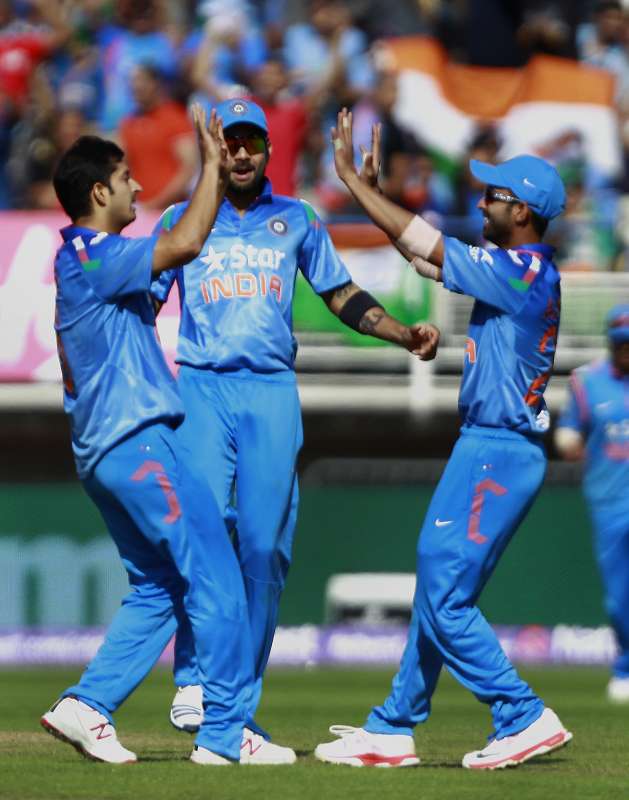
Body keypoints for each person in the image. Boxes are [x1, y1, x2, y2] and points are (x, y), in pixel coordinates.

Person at [150, 98, 440, 748]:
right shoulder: (180, 219)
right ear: (216, 149)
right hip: (199, 387)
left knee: (264, 549)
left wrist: (400, 334)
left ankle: (235, 709)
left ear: (269, 150)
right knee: (200, 540)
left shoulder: (298, 220)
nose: (243, 153)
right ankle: (195, 680)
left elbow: (340, 294)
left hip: (270, 390)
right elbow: (138, 298)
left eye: (253, 142)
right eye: (232, 142)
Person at [314, 110, 572, 770]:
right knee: (440, 586)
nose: (479, 199)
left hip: (496, 448)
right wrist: (379, 202)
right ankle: (394, 724)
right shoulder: (510, 268)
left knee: (442, 587)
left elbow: (428, 245)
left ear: (520, 211)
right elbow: (420, 253)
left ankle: (521, 714)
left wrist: (352, 183)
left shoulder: (519, 272)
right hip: (490, 447)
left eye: (492, 193)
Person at [39, 107, 275, 767]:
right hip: (137, 439)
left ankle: (87, 706)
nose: (139, 190)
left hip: (104, 448)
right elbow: (186, 245)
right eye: (127, 179)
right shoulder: (95, 254)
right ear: (98, 194)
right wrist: (209, 166)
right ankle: (226, 734)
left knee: (160, 585)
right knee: (218, 576)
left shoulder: (88, 263)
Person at [555, 304, 629, 703]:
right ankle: (626, 666)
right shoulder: (588, 382)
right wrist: (568, 441)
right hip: (610, 501)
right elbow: (568, 428)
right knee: (620, 594)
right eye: (622, 344)